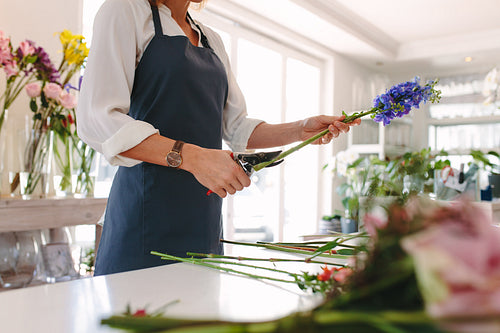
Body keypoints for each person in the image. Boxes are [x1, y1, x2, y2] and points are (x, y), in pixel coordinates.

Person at [77, 0, 360, 276]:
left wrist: (301, 129)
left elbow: (237, 128)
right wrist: (195, 158)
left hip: (204, 216)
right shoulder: (125, 10)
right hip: (144, 214)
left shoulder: (211, 40)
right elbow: (99, 118)